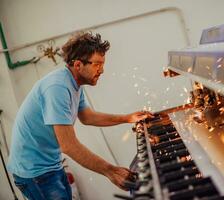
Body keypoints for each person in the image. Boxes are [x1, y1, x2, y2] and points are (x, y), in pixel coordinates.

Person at [7, 32, 153, 200]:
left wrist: (127, 118)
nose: (102, 70)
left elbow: (87, 116)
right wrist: (110, 171)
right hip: (34, 172)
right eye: (97, 64)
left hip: (51, 163)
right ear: (78, 65)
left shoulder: (75, 83)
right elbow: (68, 145)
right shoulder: (57, 88)